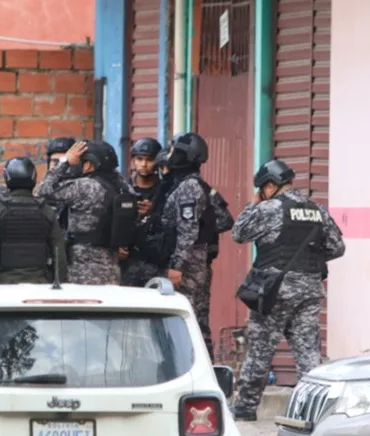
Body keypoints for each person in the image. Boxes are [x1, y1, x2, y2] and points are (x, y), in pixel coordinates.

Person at [230, 159, 346, 421]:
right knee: (308, 353)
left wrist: (253, 204)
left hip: (275, 290)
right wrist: (309, 261)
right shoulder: (317, 210)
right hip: (309, 290)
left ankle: (246, 407)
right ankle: (315, 410)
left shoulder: (269, 208)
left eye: (262, 188)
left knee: (260, 349)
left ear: (270, 186)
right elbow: (337, 247)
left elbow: (238, 233)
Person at [159, 133, 225, 362]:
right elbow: (222, 219)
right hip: (196, 258)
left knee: (188, 320)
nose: (170, 156)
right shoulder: (194, 185)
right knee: (198, 321)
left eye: (173, 151)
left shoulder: (189, 187)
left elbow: (188, 230)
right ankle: (206, 368)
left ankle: (193, 367)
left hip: (188, 264)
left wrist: (177, 265)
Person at [36, 140, 136, 285]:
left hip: (82, 269)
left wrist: (65, 162)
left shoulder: (86, 186)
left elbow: (43, 191)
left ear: (89, 164)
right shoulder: (125, 188)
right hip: (112, 268)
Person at [0, 157, 68, 285]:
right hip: (40, 283)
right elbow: (59, 255)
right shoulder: (46, 211)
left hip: (2, 284)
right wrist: (61, 284)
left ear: (7, 178)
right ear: (33, 177)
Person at [120, 138, 164, 286]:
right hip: (127, 261)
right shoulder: (122, 188)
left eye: (149, 160)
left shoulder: (165, 190)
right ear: (133, 161)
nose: (144, 164)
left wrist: (154, 211)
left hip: (157, 262)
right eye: (139, 159)